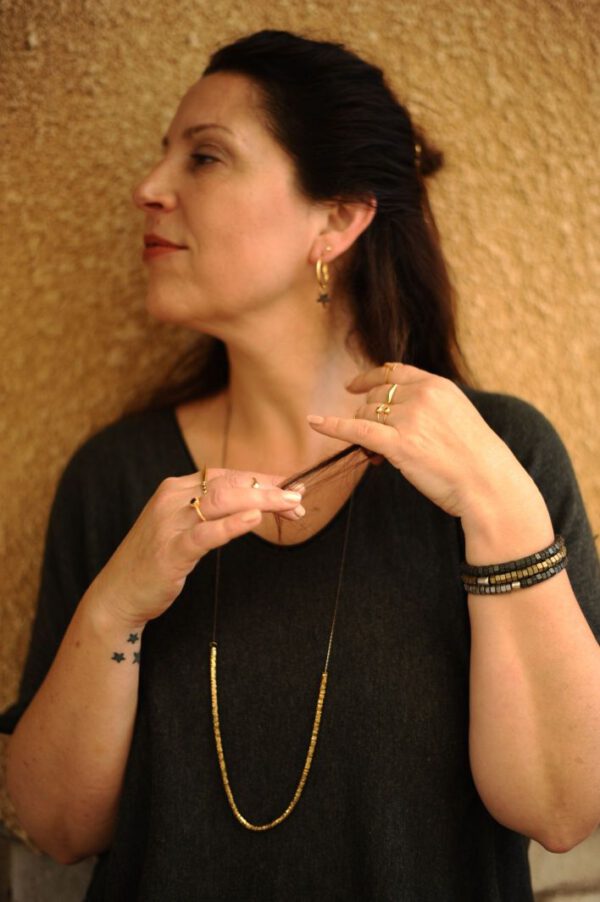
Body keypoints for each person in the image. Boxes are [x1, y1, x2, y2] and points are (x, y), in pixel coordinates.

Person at [2, 28, 599, 902]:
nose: (148, 188)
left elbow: (563, 809)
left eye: (205, 157)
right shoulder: (118, 475)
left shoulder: (500, 452)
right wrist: (117, 603)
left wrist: (499, 507)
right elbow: (57, 828)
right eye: (164, 155)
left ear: (337, 220)